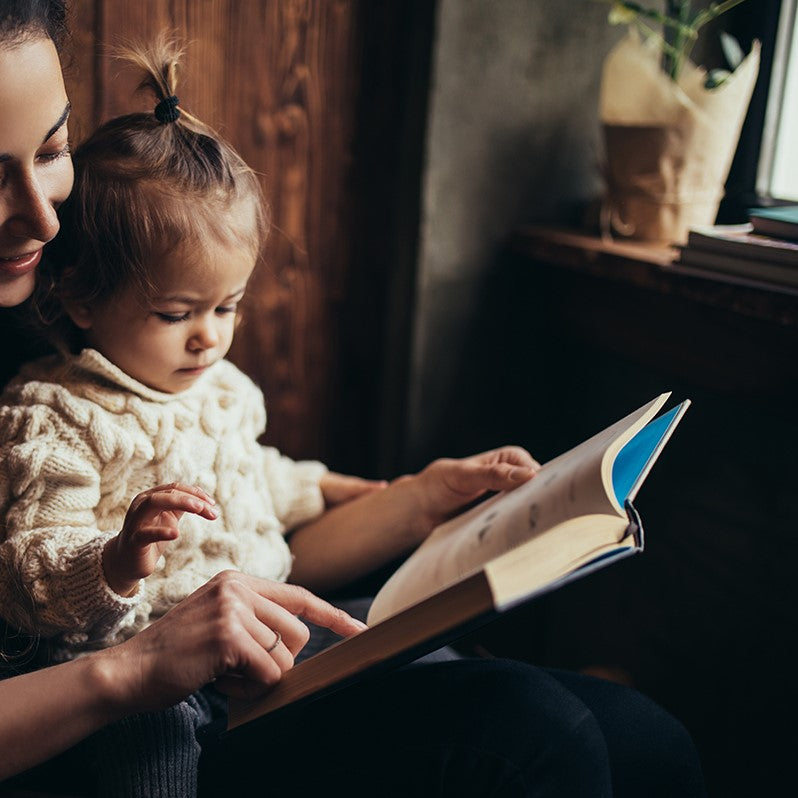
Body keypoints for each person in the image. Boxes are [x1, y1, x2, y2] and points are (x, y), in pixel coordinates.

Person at [0, 3, 708, 796]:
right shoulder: (53, 415)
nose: (207, 339)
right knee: (161, 741)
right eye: (176, 315)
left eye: (54, 147)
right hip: (149, 688)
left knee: (640, 736)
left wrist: (398, 497)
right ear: (86, 300)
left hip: (260, 640)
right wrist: (119, 559)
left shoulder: (218, 391)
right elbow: (35, 568)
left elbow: (260, 483)